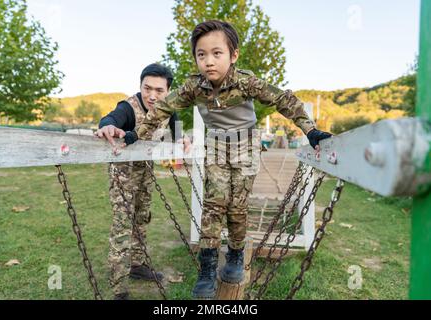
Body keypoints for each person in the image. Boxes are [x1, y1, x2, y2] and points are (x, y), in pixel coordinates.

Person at [125, 20, 332, 299]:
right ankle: (208, 269)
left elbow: (283, 100)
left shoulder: (246, 81)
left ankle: (235, 254)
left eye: (217, 53)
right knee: (214, 204)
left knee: (237, 206)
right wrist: (137, 134)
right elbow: (163, 108)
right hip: (217, 144)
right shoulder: (194, 87)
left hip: (245, 144)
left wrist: (310, 130)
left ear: (233, 55)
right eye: (201, 54)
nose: (209, 61)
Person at [96, 63, 183, 300]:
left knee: (142, 219)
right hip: (123, 175)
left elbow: (177, 131)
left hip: (146, 171)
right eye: (147, 88)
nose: (152, 95)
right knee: (122, 226)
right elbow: (110, 119)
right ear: (140, 86)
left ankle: (137, 265)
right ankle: (119, 287)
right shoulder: (128, 107)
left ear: (167, 91)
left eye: (159, 90)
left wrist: (183, 141)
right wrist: (108, 126)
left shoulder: (169, 108)